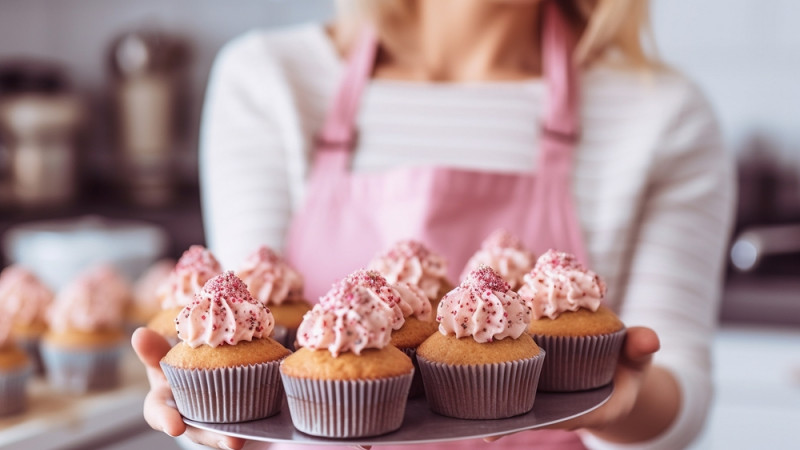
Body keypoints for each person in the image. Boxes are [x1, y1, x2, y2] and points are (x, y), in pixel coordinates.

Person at [132, 0, 735, 449]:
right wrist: (204, 414)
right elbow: (243, 348)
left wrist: (621, 402)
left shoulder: (662, 113)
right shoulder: (268, 80)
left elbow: (680, 396)